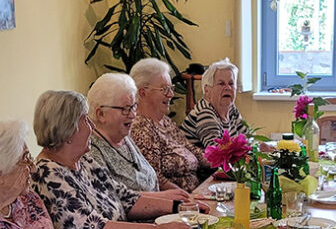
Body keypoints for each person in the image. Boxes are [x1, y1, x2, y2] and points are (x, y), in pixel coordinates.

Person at [31, 90, 198, 229]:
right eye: (85, 120)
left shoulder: (85, 161)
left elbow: (124, 197)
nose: (92, 126)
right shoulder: (48, 175)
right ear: (67, 130)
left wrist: (179, 206)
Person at [87, 73, 188, 195]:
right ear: (101, 114)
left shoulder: (124, 138)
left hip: (160, 210)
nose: (132, 115)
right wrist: (165, 199)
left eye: (133, 106)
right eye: (125, 109)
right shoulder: (91, 151)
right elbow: (113, 199)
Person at [129, 58, 209, 192]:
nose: (171, 94)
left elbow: (191, 149)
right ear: (143, 93)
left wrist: (225, 161)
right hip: (178, 204)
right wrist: (187, 199)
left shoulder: (165, 121)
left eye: (171, 88)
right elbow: (155, 179)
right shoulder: (141, 127)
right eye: (164, 89)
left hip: (196, 193)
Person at [180, 58, 247, 149]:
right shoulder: (205, 113)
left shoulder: (231, 108)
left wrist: (259, 147)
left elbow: (248, 138)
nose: (228, 88)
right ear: (207, 90)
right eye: (221, 84)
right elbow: (217, 152)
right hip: (200, 163)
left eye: (231, 83)